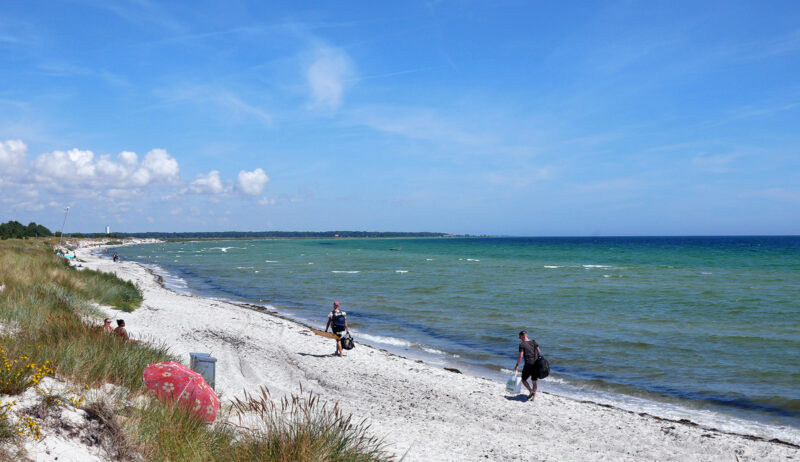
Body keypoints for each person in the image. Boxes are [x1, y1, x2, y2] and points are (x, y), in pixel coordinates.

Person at [513, 330, 541, 402]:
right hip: (536, 364)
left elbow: (521, 356)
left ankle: (530, 391)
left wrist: (517, 365)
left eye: (520, 337)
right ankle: (533, 398)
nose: (520, 339)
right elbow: (539, 351)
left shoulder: (522, 344)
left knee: (523, 379)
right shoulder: (534, 342)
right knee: (534, 381)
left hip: (528, 364)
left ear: (523, 336)